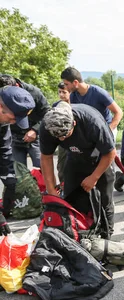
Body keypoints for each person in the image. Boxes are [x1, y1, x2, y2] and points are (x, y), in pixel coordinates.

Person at [39, 102, 116, 238]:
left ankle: (106, 237)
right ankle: (79, 235)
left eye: (65, 135)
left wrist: (94, 177)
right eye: (59, 137)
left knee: (105, 200)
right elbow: (46, 158)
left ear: (74, 123)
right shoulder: (47, 126)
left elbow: (110, 153)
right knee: (71, 199)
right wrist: (51, 189)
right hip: (75, 158)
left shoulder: (92, 122)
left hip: (100, 156)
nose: (62, 139)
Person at [0, 86, 35, 232]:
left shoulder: (3, 123)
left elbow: (4, 150)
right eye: (13, 118)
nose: (14, 122)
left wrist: (10, 179)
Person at [0, 74, 50, 168]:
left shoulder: (34, 93)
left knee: (42, 168)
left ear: (16, 87)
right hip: (13, 137)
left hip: (34, 138)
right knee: (18, 172)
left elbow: (48, 114)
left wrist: (35, 130)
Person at [60, 67, 123, 139]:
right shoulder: (73, 96)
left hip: (105, 128)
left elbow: (119, 112)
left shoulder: (99, 93)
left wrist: (108, 131)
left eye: (66, 84)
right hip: (90, 131)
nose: (65, 87)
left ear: (75, 82)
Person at [56, 82, 70, 185]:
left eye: (64, 92)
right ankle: (63, 186)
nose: (61, 95)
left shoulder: (77, 106)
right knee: (62, 165)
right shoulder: (56, 106)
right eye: (59, 92)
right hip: (63, 141)